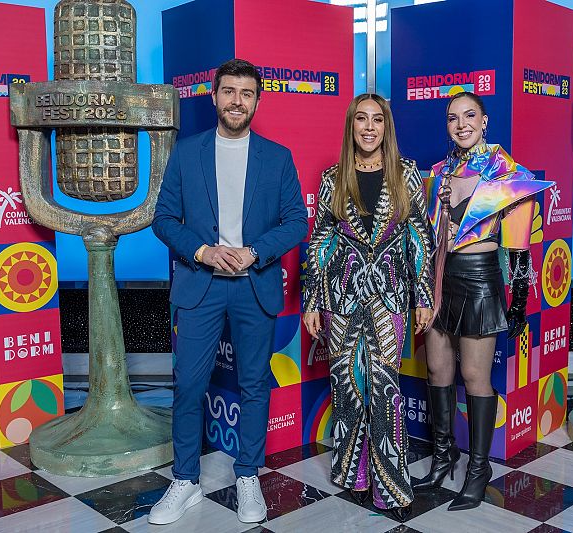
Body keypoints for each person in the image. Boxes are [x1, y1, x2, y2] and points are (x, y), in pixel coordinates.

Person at [149, 58, 308, 525]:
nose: (237, 100)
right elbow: (164, 219)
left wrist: (256, 251)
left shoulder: (277, 157)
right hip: (201, 288)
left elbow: (297, 221)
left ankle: (247, 476)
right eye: (229, 92)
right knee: (189, 385)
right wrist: (201, 251)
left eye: (247, 93)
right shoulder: (187, 152)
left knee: (254, 385)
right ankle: (184, 480)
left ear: (257, 100)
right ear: (214, 96)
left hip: (253, 288)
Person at [415, 92, 553, 511]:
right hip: (441, 278)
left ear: (485, 120)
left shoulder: (506, 170)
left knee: (475, 375)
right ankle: (443, 458)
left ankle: (478, 469)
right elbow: (427, 236)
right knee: (437, 367)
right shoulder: (439, 171)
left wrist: (520, 299)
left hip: (478, 281)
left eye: (469, 115)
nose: (461, 124)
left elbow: (518, 248)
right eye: (453, 118)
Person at [302, 93, 434, 521]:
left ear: (386, 128)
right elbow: (319, 243)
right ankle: (353, 474)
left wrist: (424, 298)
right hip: (341, 300)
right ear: (351, 126)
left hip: (390, 300)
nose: (369, 127)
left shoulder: (406, 174)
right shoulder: (333, 177)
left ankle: (391, 485)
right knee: (348, 389)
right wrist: (312, 300)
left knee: (384, 391)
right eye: (362, 119)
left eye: (377, 120)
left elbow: (419, 239)